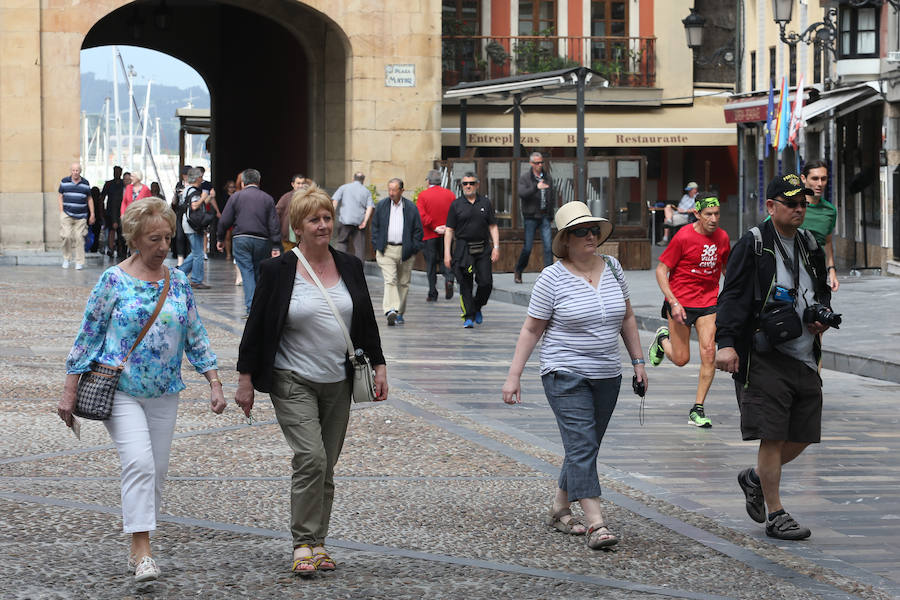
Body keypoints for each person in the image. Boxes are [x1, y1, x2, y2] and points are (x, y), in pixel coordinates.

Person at [58, 197, 225, 583]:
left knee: (158, 470)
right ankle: (142, 549)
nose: (164, 246)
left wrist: (213, 381)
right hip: (121, 387)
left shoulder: (179, 281)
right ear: (135, 238)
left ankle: (141, 539)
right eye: (155, 239)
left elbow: (196, 335)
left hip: (166, 389)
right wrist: (69, 391)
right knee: (139, 462)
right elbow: (88, 335)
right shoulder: (113, 280)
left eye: (167, 237)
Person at [234, 184, 387, 575]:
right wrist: (245, 379)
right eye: (314, 220)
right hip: (291, 378)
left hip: (338, 379)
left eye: (327, 218)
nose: (323, 225)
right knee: (311, 458)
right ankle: (302, 541)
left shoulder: (349, 265)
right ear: (296, 228)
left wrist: (380, 365)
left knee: (326, 466)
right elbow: (257, 326)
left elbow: (366, 321)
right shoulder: (278, 269)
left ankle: (319, 543)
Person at [502, 201, 647, 550]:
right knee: (582, 444)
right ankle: (597, 523)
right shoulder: (552, 278)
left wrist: (638, 361)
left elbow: (627, 318)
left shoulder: (613, 267)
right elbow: (531, 330)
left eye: (593, 229)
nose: (590, 236)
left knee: (584, 445)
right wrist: (513, 376)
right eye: (581, 231)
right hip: (563, 372)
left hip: (607, 374)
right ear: (565, 239)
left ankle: (559, 507)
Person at [716, 173, 833, 541]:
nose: (800, 209)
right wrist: (726, 343)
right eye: (791, 204)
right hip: (762, 352)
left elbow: (822, 291)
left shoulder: (810, 243)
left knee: (803, 434)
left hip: (802, 353)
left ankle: (754, 478)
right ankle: (776, 514)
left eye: (803, 204)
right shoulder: (753, 244)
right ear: (771, 206)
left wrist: (820, 316)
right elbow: (731, 297)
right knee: (773, 434)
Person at [648, 194, 730, 428]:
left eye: (717, 214)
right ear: (696, 214)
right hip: (680, 303)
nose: (713, 219)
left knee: (708, 352)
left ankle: (698, 408)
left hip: (708, 302)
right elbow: (661, 270)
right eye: (708, 215)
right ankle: (663, 338)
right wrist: (673, 301)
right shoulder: (683, 236)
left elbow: (726, 268)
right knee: (682, 359)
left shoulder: (722, 237)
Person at [216, 168, 281, 317]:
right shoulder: (267, 198)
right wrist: (276, 244)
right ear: (258, 182)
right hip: (262, 240)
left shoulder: (236, 197)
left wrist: (220, 239)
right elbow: (274, 223)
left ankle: (252, 308)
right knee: (258, 272)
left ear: (243, 182)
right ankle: (260, 307)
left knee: (247, 272)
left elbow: (225, 220)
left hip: (241, 238)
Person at [443, 173, 500, 328]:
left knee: (486, 282)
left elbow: (493, 226)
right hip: (463, 249)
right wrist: (447, 253)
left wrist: (496, 247)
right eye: (465, 184)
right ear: (461, 186)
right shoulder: (456, 205)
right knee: (465, 283)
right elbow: (449, 230)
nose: (468, 186)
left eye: (471, 183)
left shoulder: (485, 203)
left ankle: (477, 306)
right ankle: (468, 316)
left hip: (482, 247)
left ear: (477, 185)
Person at [370, 178, 424, 326]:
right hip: (386, 249)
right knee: (390, 280)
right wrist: (376, 244)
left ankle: (399, 313)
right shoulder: (382, 206)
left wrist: (414, 248)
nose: (391, 193)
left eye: (394, 190)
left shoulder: (411, 208)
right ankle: (391, 310)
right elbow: (374, 227)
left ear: (402, 190)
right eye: (389, 190)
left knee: (404, 282)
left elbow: (418, 230)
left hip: (405, 250)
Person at [514, 152, 555, 283]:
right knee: (528, 247)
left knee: (548, 247)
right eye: (537, 163)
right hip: (530, 216)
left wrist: (551, 214)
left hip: (544, 215)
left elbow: (551, 197)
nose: (539, 165)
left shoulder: (547, 177)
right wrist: (536, 187)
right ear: (531, 164)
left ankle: (549, 277)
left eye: (541, 162)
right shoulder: (525, 178)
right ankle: (519, 270)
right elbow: (522, 193)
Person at [417, 170, 456, 301]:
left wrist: (434, 226)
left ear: (428, 181)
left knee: (431, 264)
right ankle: (449, 279)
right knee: (447, 258)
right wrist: (447, 226)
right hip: (447, 234)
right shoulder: (450, 195)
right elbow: (455, 212)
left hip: (429, 234)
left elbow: (421, 216)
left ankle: (432, 292)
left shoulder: (423, 196)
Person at [800, 160, 839, 292]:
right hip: (792, 272)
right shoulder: (792, 206)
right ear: (803, 178)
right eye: (815, 179)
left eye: (824, 179)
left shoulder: (830, 211)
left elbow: (827, 242)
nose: (820, 184)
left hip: (818, 273)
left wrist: (832, 270)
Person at [178, 168, 211, 289]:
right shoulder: (194, 191)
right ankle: (196, 280)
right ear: (197, 178)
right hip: (193, 225)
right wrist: (204, 197)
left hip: (187, 223)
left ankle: (179, 273)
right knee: (198, 254)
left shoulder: (186, 189)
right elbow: (194, 205)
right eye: (201, 177)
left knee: (196, 252)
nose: (202, 179)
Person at [58, 162, 95, 270]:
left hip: (81, 216)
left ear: (80, 171)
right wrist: (61, 211)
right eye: (73, 170)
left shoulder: (85, 183)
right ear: (71, 171)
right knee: (66, 236)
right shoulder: (64, 182)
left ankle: (79, 261)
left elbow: (89, 199)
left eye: (77, 170)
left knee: (79, 238)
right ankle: (66, 258)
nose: (75, 172)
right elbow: (60, 196)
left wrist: (92, 214)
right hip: (67, 214)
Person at [332, 172, 375, 263]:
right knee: (359, 248)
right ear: (363, 180)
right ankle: (358, 270)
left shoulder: (344, 187)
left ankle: (340, 265)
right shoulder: (366, 191)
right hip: (359, 223)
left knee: (342, 243)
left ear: (353, 179)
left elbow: (335, 202)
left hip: (345, 220)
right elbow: (370, 207)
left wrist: (331, 216)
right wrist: (365, 221)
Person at [276, 174, 309, 253]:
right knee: (289, 258)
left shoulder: (309, 197)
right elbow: (276, 213)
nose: (300, 186)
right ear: (293, 184)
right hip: (288, 237)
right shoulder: (286, 197)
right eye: (298, 183)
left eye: (303, 183)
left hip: (304, 235)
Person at [100, 166, 126, 258]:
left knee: (121, 231)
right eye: (115, 172)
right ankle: (111, 249)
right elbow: (102, 197)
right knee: (111, 230)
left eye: (119, 172)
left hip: (122, 209)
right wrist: (101, 211)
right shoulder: (108, 184)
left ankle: (120, 249)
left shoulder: (124, 184)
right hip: (110, 210)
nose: (117, 174)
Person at [171, 166, 192, 266]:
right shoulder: (179, 184)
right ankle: (180, 260)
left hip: (190, 213)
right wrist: (175, 193)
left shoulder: (193, 185)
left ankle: (188, 259)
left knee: (189, 236)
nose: (185, 177)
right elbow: (174, 202)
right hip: (180, 212)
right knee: (179, 236)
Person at [89, 186, 104, 253]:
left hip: (89, 219)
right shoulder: (99, 201)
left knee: (89, 234)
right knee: (96, 235)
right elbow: (101, 210)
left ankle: (89, 247)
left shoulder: (89, 200)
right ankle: (94, 248)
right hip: (97, 220)